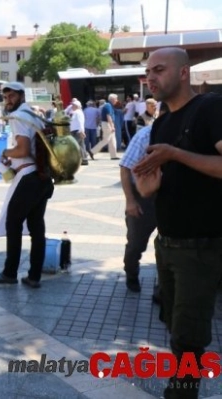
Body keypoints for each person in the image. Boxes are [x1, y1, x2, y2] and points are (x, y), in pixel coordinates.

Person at [133, 47, 222, 399]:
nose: (150, 78)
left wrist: (175, 154)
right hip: (167, 243)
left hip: (201, 246)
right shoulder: (161, 123)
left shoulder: (210, 108)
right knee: (174, 326)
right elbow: (159, 182)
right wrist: (148, 186)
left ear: (183, 73)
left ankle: (181, 394)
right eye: (148, 72)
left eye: (159, 70)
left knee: (188, 336)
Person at [0, 82, 54, 288]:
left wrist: (6, 153)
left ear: (21, 96)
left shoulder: (18, 118)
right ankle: (34, 276)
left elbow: (23, 149)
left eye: (12, 96)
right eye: (6, 96)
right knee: (37, 227)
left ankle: (10, 273)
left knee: (13, 223)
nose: (8, 100)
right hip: (42, 177)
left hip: (29, 177)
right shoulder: (35, 116)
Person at [119, 102, 168, 294]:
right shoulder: (145, 136)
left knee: (168, 245)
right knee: (136, 244)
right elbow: (125, 168)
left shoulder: (183, 134)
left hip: (169, 196)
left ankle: (163, 288)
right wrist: (130, 201)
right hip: (142, 196)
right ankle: (131, 274)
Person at [91, 93, 120, 160]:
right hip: (107, 124)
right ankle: (92, 151)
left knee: (112, 140)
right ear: (112, 99)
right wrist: (112, 126)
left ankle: (113, 155)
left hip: (107, 124)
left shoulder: (108, 105)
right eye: (116, 99)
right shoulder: (108, 106)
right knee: (106, 140)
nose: (117, 100)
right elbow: (108, 116)